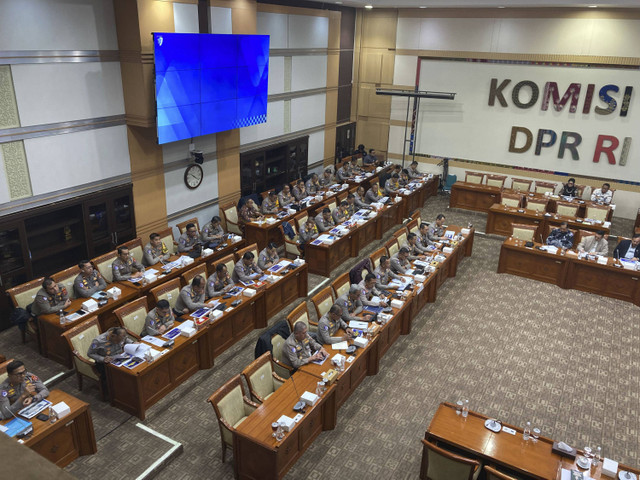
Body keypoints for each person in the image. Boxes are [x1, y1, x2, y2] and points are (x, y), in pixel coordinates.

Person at [88, 326, 133, 393]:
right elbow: (90, 353)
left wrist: (132, 343)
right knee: (113, 379)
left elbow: (125, 339)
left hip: (119, 357)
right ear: (112, 336)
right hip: (105, 364)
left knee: (130, 371)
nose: (119, 343)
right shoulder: (98, 341)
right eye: (117, 341)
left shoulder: (120, 334)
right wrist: (103, 359)